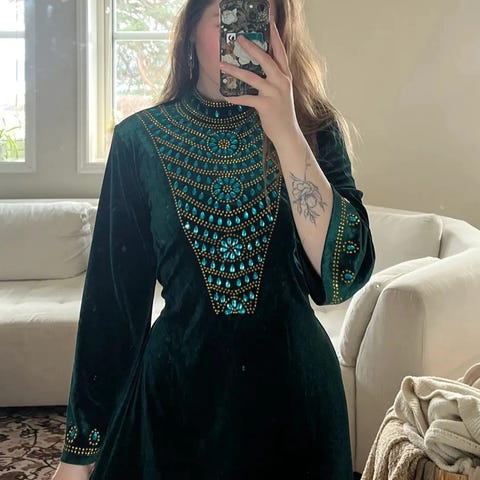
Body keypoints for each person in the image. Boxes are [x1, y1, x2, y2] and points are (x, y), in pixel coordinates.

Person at [52, 0, 375, 478]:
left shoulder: (313, 129)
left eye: (258, 16)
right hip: (178, 408)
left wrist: (287, 133)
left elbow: (342, 277)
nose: (242, 38)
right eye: (228, 15)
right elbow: (112, 306)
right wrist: (78, 455)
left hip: (295, 408)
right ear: (190, 29)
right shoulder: (140, 142)